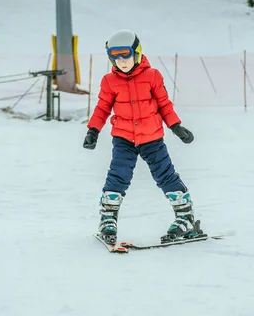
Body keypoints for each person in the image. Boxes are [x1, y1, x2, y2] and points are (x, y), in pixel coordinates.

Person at [83, 29, 203, 245]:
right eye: (115, 56)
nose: (121, 61)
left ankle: (186, 217)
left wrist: (176, 127)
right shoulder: (109, 81)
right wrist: (93, 130)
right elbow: (102, 108)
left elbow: (164, 104)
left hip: (152, 138)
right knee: (118, 175)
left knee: (165, 175)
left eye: (125, 54)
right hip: (124, 139)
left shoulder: (152, 76)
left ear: (136, 52)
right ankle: (108, 219)